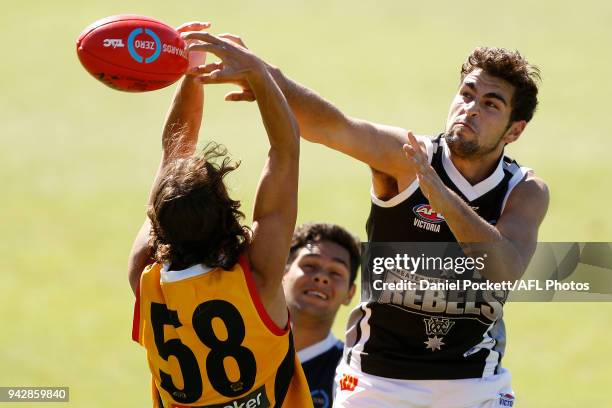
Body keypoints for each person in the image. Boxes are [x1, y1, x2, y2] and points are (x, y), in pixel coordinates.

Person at [190, 40, 550, 407]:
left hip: (474, 383)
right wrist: (262, 75)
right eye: (467, 94)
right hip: (377, 381)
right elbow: (334, 126)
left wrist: (444, 201)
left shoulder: (524, 191)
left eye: (491, 104)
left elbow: (502, 270)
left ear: (514, 130)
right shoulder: (408, 156)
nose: (470, 109)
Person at [128, 25, 313, 408]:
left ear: (157, 223)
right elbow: (286, 149)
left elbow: (172, 157)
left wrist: (191, 71)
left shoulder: (146, 277)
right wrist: (257, 72)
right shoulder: (257, 279)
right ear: (228, 213)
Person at [284, 223, 360, 408]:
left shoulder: (353, 372)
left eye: (335, 272)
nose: (322, 277)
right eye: (310, 265)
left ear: (350, 293)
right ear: (282, 273)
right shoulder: (244, 348)